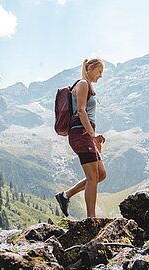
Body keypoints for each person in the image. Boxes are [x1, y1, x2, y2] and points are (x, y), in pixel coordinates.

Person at [55, 58, 106, 218]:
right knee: (92, 177)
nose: (100, 76)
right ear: (90, 68)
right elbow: (82, 111)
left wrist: (94, 139)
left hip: (86, 135)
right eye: (99, 71)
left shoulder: (87, 86)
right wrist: (92, 135)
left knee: (101, 174)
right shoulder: (83, 84)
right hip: (80, 134)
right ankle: (91, 219)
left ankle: (65, 196)